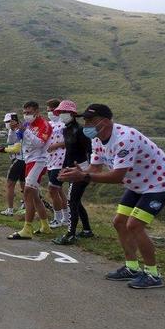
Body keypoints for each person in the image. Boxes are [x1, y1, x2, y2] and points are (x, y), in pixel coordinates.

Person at [60, 104, 165, 289]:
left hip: (162, 181)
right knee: (119, 222)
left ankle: (153, 274)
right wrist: (79, 172)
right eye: (85, 120)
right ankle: (132, 267)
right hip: (138, 184)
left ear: (106, 121)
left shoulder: (125, 138)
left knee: (134, 224)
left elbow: (117, 176)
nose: (86, 125)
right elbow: (95, 169)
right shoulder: (97, 139)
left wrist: (84, 176)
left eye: (91, 121)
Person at [7, 101, 52, 240]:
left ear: (37, 112)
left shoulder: (44, 125)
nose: (26, 115)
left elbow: (40, 143)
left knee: (27, 192)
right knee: (34, 195)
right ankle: (45, 226)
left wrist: (25, 130)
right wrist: (14, 129)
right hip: (28, 160)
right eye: (24, 113)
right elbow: (17, 140)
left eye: (29, 113)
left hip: (39, 160)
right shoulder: (26, 124)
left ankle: (27, 228)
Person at [52, 100, 93, 245]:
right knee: (76, 201)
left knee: (71, 201)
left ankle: (71, 234)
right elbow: (69, 151)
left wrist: (88, 171)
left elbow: (90, 151)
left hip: (81, 169)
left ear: (72, 114)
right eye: (60, 112)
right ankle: (87, 230)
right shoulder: (66, 130)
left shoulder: (80, 130)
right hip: (70, 169)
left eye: (64, 112)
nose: (61, 115)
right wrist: (63, 168)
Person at [45, 99, 68, 228]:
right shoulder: (48, 124)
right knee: (58, 190)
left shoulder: (64, 124)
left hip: (61, 159)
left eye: (52, 110)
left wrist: (55, 145)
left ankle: (57, 218)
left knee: (52, 189)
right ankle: (66, 218)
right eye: (48, 110)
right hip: (50, 160)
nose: (50, 113)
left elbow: (69, 141)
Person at [0, 113, 25, 216]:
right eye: (5, 122)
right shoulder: (12, 131)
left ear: (15, 121)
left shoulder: (18, 130)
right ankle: (26, 205)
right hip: (23, 160)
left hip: (18, 160)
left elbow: (17, 148)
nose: (7, 124)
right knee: (23, 184)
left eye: (8, 122)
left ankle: (10, 209)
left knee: (10, 185)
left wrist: (4, 149)